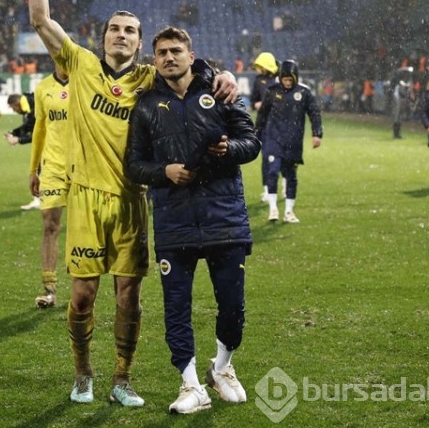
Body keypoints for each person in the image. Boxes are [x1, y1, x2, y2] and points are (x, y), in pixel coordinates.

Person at [29, 0, 237, 408]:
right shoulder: (79, 65)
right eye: (114, 29)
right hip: (84, 197)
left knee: (128, 298)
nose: (121, 35)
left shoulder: (148, 78)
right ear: (102, 37)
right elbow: (41, 20)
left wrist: (221, 74)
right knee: (82, 297)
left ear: (140, 44)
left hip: (131, 201)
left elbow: (187, 63)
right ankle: (83, 373)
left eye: (130, 31)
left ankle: (122, 378)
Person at [125, 26, 260, 414]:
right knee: (176, 310)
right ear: (154, 60)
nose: (169, 57)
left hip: (225, 218)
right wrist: (164, 171)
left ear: (191, 54)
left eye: (176, 51)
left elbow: (251, 142)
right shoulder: (147, 105)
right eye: (162, 52)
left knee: (232, 306)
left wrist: (227, 148)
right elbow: (134, 165)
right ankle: (190, 385)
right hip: (175, 221)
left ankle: (222, 369)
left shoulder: (220, 92)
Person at [255, 60, 323, 223]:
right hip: (274, 138)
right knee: (272, 171)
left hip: (293, 141)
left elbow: (314, 113)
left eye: (290, 80)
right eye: (284, 79)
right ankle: (273, 209)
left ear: (295, 78)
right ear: (280, 78)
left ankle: (289, 212)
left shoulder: (304, 93)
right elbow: (263, 114)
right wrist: (257, 132)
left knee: (291, 176)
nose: (287, 82)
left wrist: (317, 134)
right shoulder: (272, 91)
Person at [27, 65, 70, 308]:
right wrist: (33, 169)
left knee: (83, 228)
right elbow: (40, 128)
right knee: (50, 226)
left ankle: (82, 287)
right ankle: (49, 289)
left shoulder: (86, 82)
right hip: (53, 167)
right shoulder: (43, 87)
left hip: (83, 166)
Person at [249, 52, 279, 203]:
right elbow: (253, 100)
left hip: (280, 125)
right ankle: (267, 188)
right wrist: (256, 104)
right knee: (266, 157)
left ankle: (286, 185)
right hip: (264, 124)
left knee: (285, 157)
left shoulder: (280, 79)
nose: (259, 69)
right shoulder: (258, 80)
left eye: (261, 65)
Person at [5, 92, 41, 210]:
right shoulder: (30, 107)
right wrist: (13, 133)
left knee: (38, 170)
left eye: (14, 108)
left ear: (17, 103)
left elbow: (37, 133)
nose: (14, 111)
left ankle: (39, 200)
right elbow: (29, 127)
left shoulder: (35, 108)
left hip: (51, 143)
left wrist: (19, 140)